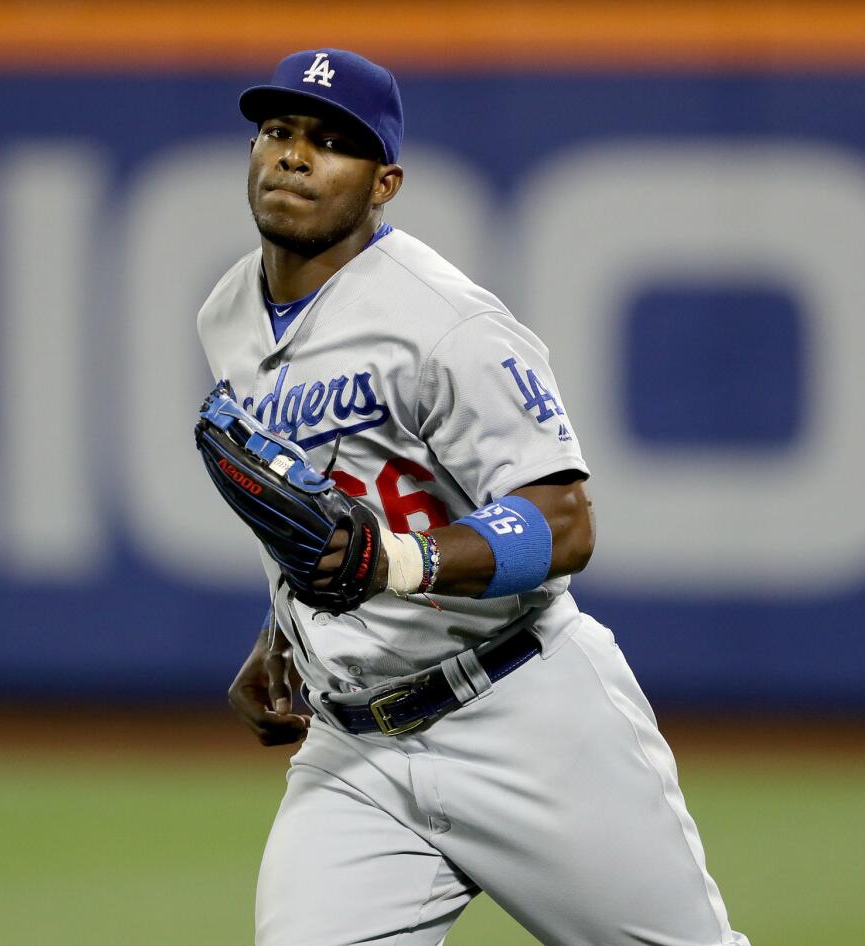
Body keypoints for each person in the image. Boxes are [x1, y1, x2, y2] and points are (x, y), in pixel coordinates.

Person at [196, 47, 750, 946]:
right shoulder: (225, 315)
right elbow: (316, 490)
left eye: (333, 142)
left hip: (523, 713)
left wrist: (395, 562)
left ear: (385, 184)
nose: (295, 156)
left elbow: (564, 522)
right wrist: (285, 631)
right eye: (279, 131)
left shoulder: (445, 321)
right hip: (355, 751)